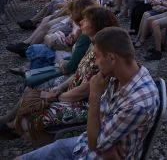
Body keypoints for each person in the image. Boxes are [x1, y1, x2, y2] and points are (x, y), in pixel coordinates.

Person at [16, 27, 159, 159]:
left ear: (111, 58)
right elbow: (101, 123)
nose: (95, 63)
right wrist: (102, 142)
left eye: (96, 56)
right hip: (87, 145)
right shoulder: (120, 74)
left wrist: (94, 96)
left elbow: (94, 144)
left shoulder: (136, 103)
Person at [0, 7, 119, 143]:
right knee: (31, 97)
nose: (81, 22)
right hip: (72, 94)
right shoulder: (94, 45)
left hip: (86, 105)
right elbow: (78, 73)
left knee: (29, 119)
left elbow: (86, 90)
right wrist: (59, 88)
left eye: (86, 20)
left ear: (97, 25)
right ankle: (13, 125)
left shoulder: (103, 53)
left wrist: (58, 97)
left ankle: (25, 131)